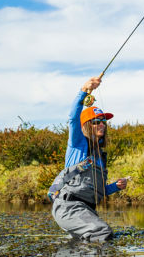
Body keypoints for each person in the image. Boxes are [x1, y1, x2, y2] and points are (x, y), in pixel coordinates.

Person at [49, 77, 127, 242]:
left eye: (103, 122)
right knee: (102, 233)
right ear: (85, 125)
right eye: (96, 122)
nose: (102, 125)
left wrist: (116, 186)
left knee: (99, 237)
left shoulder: (100, 157)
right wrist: (83, 90)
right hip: (68, 207)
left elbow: (96, 189)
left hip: (85, 209)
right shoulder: (77, 144)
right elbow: (72, 118)